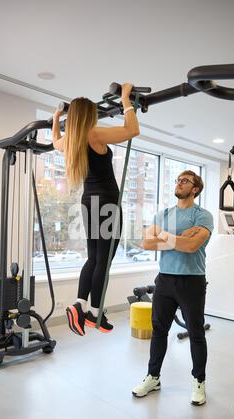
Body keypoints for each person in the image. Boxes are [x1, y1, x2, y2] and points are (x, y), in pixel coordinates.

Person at [52, 83, 140, 336]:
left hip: (89, 201)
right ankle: (95, 311)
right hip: (107, 203)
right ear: (89, 116)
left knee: (94, 257)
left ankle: (81, 305)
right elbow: (132, 129)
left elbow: (55, 139)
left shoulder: (70, 141)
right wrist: (125, 99)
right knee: (105, 259)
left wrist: (57, 117)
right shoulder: (95, 134)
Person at [132, 171, 214, 405]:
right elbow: (146, 242)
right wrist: (178, 237)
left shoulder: (203, 216)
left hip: (192, 281)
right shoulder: (163, 214)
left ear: (195, 188)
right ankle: (153, 377)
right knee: (158, 331)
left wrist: (164, 237)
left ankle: (199, 382)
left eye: (185, 180)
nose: (179, 183)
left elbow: (192, 247)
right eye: (178, 180)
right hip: (165, 280)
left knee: (196, 333)